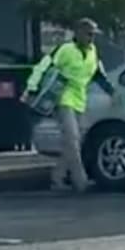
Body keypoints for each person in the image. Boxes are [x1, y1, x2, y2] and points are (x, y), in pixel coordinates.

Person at [22, 18, 116, 193]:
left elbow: (98, 75)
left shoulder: (92, 52)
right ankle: (81, 181)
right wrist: (32, 88)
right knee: (72, 139)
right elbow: (42, 68)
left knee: (73, 143)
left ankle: (57, 178)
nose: (91, 38)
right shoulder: (65, 50)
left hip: (80, 100)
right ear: (78, 33)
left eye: (93, 35)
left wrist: (111, 92)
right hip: (62, 98)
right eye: (89, 34)